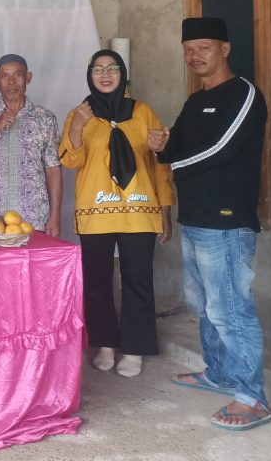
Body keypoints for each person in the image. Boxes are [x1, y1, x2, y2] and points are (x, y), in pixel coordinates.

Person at [149, 17, 271, 431]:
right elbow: (177, 150)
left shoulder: (244, 94)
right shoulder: (194, 101)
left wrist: (174, 163)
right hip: (196, 219)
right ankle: (219, 373)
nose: (194, 56)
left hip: (227, 222)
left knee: (230, 309)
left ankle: (252, 397)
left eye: (203, 47)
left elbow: (222, 149)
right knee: (205, 305)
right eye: (188, 49)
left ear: (225, 49)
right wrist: (162, 147)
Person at [58, 49, 174, 378]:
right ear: (90, 75)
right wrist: (77, 127)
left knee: (138, 280)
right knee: (97, 281)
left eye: (112, 68)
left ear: (123, 74)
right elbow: (70, 161)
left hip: (139, 211)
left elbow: (160, 165)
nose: (105, 74)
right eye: (98, 69)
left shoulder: (143, 112)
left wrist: (165, 210)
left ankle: (135, 348)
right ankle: (105, 344)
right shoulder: (80, 113)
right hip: (95, 212)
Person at [0, 54, 62, 235]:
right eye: (4, 76)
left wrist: (55, 217)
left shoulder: (45, 118)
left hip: (33, 217)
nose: (11, 82)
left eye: (17, 75)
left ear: (28, 77)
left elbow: (53, 169)